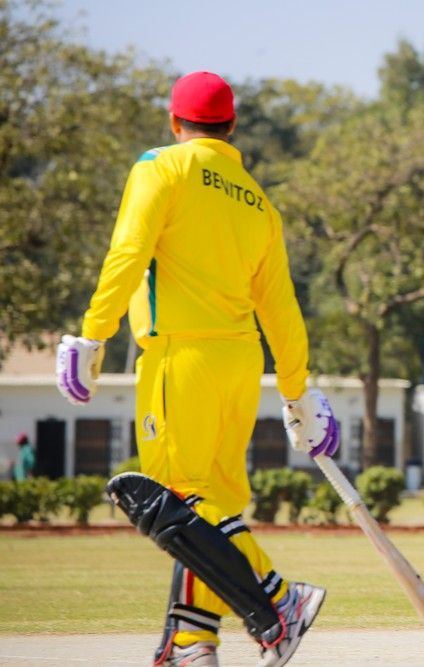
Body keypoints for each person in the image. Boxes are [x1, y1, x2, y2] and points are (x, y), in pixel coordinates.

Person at [56, 71, 338, 667]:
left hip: (179, 356)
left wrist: (93, 333)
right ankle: (192, 641)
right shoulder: (258, 200)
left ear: (173, 121)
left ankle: (280, 600)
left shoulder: (161, 166)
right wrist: (297, 391)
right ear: (231, 126)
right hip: (240, 364)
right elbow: (281, 309)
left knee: (176, 500)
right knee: (213, 510)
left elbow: (129, 252)